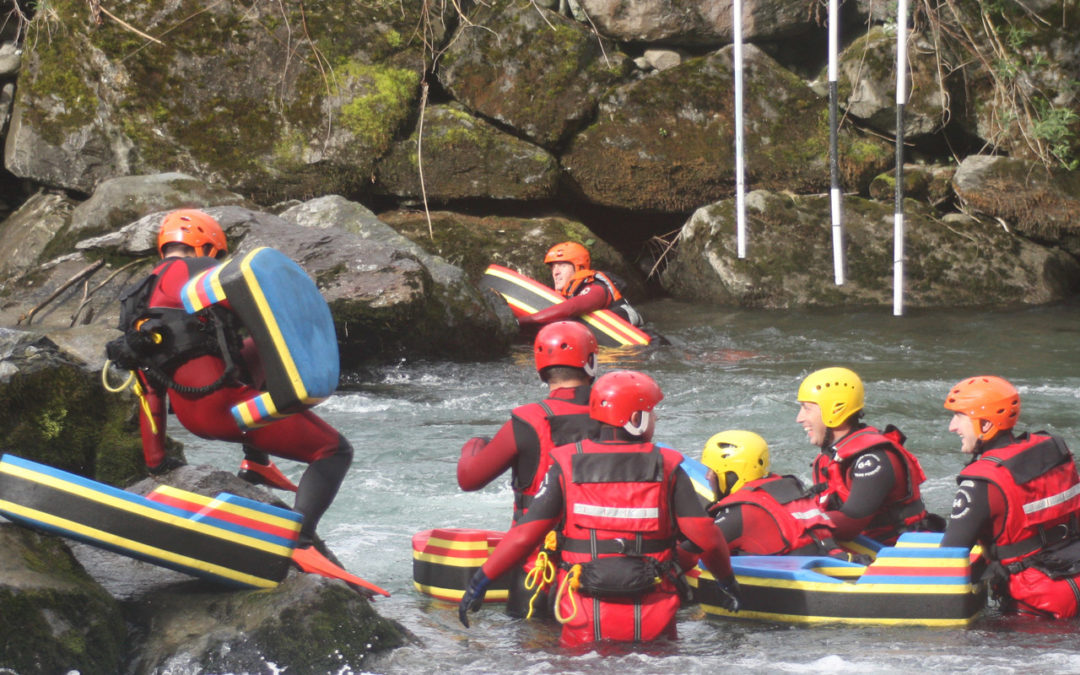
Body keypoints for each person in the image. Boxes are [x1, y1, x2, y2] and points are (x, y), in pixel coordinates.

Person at [112, 209, 353, 559]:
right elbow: (275, 317)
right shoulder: (207, 274)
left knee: (251, 347)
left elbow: (149, 385)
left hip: (191, 415)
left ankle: (255, 461)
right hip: (229, 412)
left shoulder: (137, 299)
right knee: (333, 452)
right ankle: (299, 541)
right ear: (207, 246)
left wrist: (157, 462)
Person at [457, 370, 740, 647]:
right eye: (651, 412)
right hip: (653, 610)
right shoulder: (667, 466)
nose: (655, 418)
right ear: (635, 419)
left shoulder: (565, 464)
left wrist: (481, 580)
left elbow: (524, 535)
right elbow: (706, 536)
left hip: (583, 612)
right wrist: (727, 581)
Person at [457, 320, 599, 617]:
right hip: (602, 569)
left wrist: (474, 444)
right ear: (590, 363)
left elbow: (469, 479)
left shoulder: (526, 422)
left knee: (532, 658)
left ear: (541, 368)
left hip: (537, 572)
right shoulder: (619, 419)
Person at [941, 375, 1080, 618]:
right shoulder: (1052, 448)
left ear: (985, 425)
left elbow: (949, 555)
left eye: (959, 417)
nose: (952, 427)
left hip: (1037, 607)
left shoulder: (981, 482)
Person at [795, 367, 936, 545]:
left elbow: (851, 522)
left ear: (835, 410)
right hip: (865, 548)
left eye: (806, 409)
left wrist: (793, 522)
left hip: (900, 551)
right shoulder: (830, 456)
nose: (799, 418)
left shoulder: (873, 460)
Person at [701, 430, 847, 557]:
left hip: (795, 581)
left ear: (731, 473)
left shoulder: (737, 513)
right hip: (832, 555)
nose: (707, 476)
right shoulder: (789, 487)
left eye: (712, 471)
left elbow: (693, 553)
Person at [516, 241, 643, 329]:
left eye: (562, 266)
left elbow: (573, 307)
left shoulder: (597, 288)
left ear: (579, 268)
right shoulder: (566, 294)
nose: (556, 272)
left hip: (643, 347)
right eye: (553, 267)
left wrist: (525, 321)